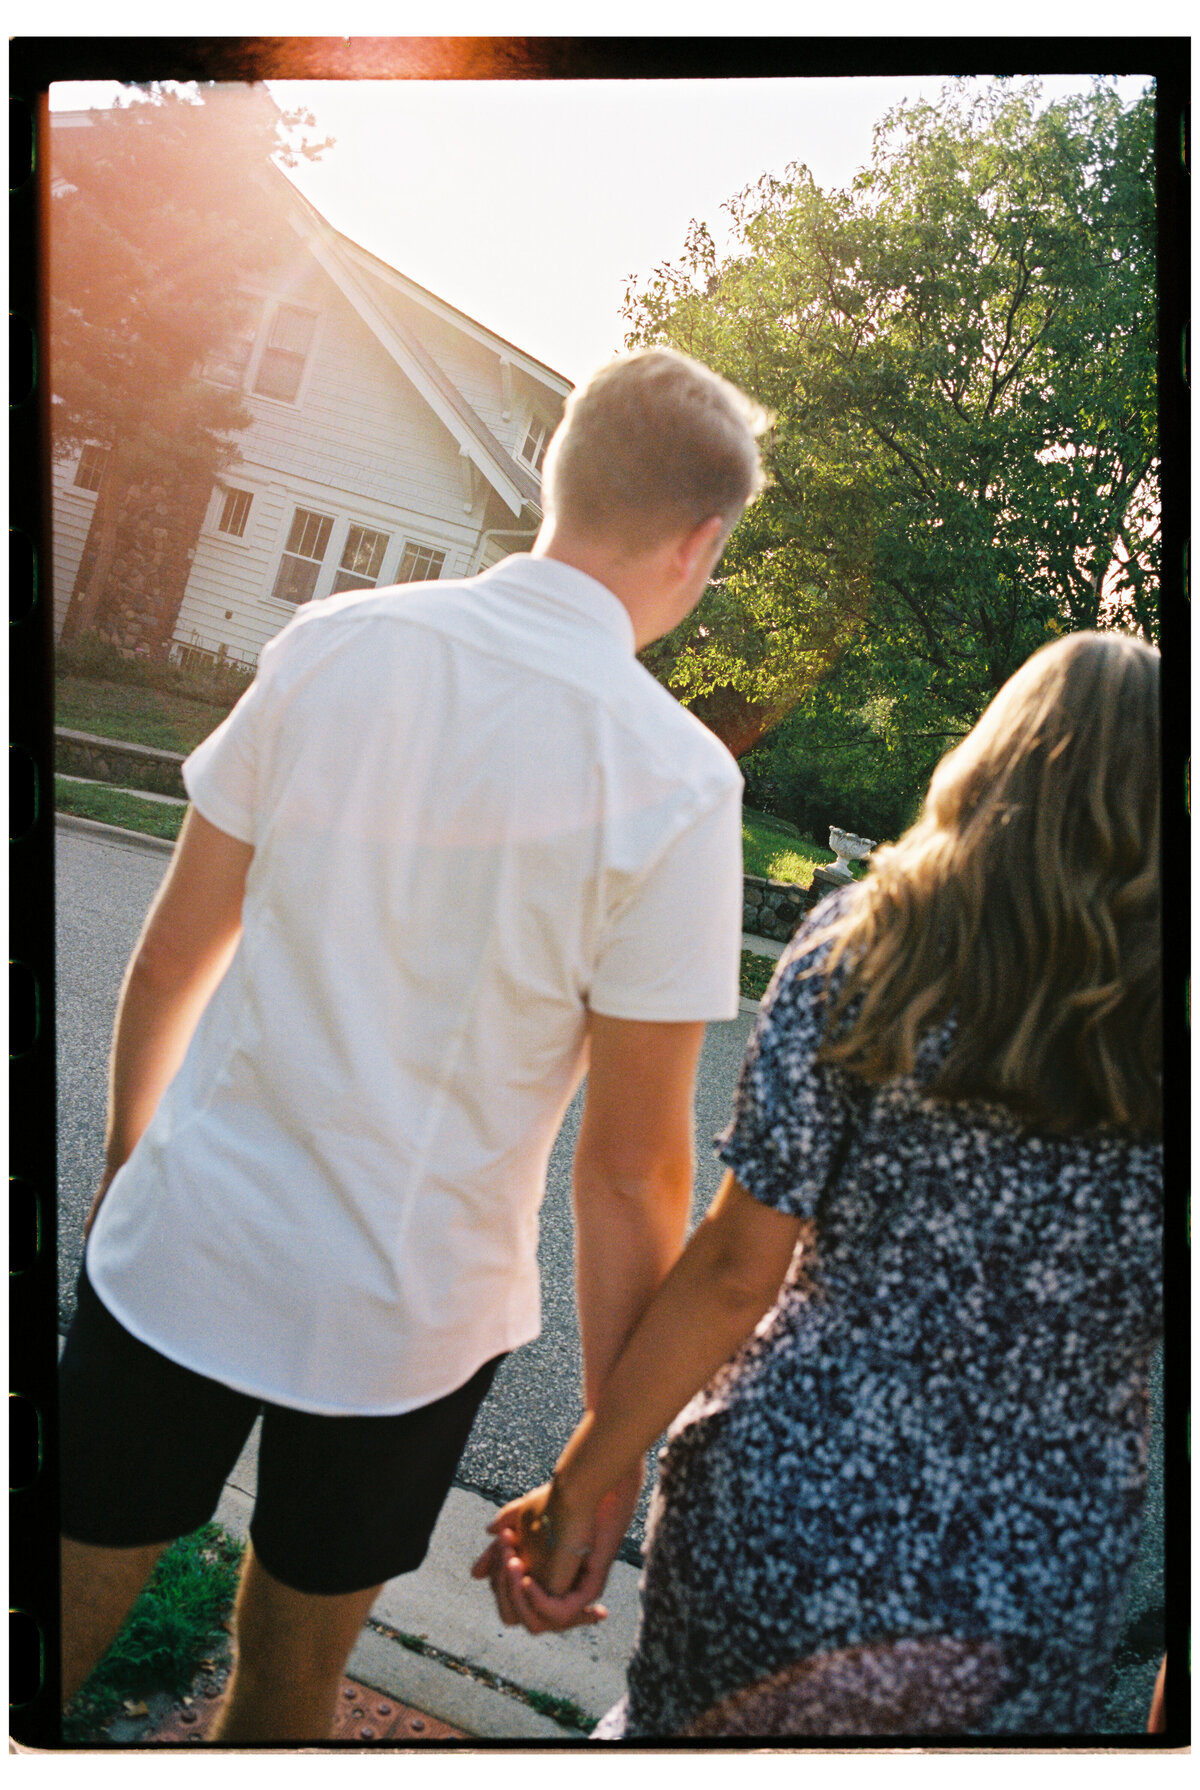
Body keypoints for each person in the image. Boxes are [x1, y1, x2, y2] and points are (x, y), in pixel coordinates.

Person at [58, 347, 770, 1741]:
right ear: (700, 543)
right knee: (290, 1687)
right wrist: (598, 1456)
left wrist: (128, 1173)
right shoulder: (681, 783)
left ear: (560, 475)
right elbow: (628, 1174)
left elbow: (167, 958)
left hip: (190, 1240)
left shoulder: (336, 642)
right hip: (411, 1319)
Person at [476, 630, 1163, 1739]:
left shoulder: (868, 943)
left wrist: (585, 1478)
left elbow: (737, 1265)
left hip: (778, 1506)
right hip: (1022, 1588)